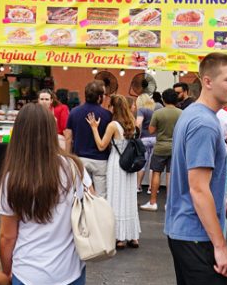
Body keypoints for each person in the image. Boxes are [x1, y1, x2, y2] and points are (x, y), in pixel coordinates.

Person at [0, 103, 90, 285]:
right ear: (52, 131)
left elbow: (7, 236)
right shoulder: (73, 168)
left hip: (29, 271)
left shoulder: (13, 178)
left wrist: (8, 273)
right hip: (71, 268)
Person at [165, 52, 227, 285]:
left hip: (183, 231)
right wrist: (220, 246)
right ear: (207, 81)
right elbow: (198, 188)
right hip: (197, 237)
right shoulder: (205, 124)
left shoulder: (193, 115)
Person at [88, 94, 142, 248]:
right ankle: (133, 236)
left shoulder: (113, 125)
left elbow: (101, 145)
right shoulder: (133, 122)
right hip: (130, 165)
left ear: (113, 107)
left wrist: (94, 128)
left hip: (117, 164)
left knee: (116, 198)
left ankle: (119, 237)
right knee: (129, 198)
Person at [64, 81, 112, 198]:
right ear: (100, 97)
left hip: (80, 158)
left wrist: (67, 156)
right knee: (101, 195)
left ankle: (82, 215)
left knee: (81, 193)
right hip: (101, 159)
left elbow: (68, 137)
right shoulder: (107, 115)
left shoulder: (74, 112)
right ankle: (99, 215)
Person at [143, 89, 182, 212]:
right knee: (171, 174)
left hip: (160, 147)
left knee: (156, 173)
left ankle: (153, 202)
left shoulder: (158, 113)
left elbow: (151, 130)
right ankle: (169, 204)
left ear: (163, 100)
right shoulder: (181, 113)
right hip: (175, 148)